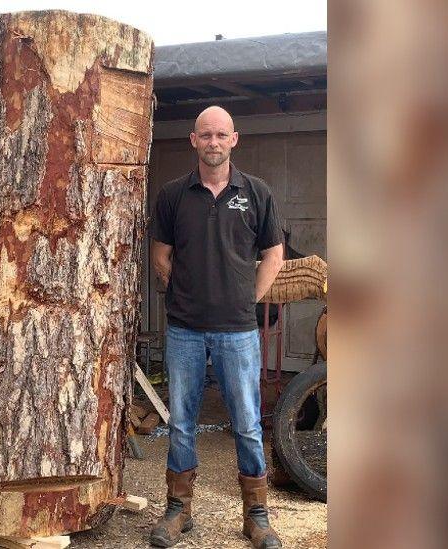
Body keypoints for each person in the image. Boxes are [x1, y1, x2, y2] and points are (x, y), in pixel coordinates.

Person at [148, 106, 285, 549]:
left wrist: (249, 298)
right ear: (193, 140)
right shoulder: (172, 195)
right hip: (185, 329)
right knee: (182, 422)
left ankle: (257, 517)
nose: (213, 142)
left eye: (220, 135)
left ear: (234, 140)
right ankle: (178, 510)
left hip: (238, 331)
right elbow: (161, 256)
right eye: (205, 135)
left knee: (246, 423)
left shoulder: (257, 193)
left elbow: (274, 255)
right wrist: (185, 292)